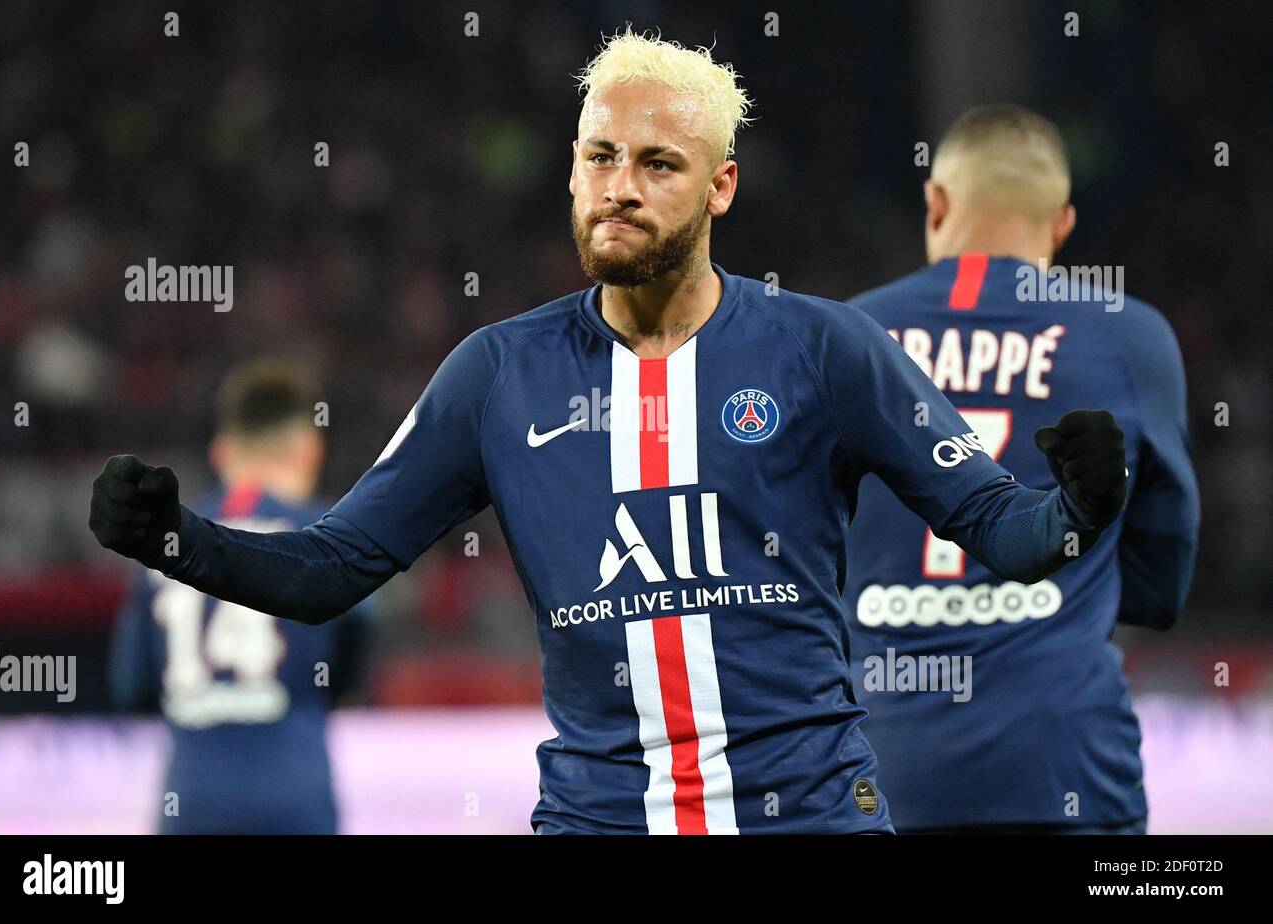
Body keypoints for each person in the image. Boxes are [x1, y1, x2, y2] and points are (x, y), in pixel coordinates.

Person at [91, 31, 1128, 834]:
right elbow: (326, 571)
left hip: (809, 814)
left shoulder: (825, 351)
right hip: (600, 818)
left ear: (721, 184)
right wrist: (173, 539)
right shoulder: (497, 375)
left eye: (656, 163)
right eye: (599, 157)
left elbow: (1001, 527)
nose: (618, 186)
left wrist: (1080, 506)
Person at [842, 104, 1200, 833]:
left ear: (936, 203)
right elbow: (1163, 585)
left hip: (875, 771)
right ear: (1063, 223)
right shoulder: (1131, 338)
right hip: (1061, 767)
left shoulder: (844, 336)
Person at [108, 361, 371, 834]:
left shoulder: (163, 544)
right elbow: (354, 662)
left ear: (221, 451)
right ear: (310, 450)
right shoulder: (331, 539)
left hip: (193, 804)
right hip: (295, 800)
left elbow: (131, 688)